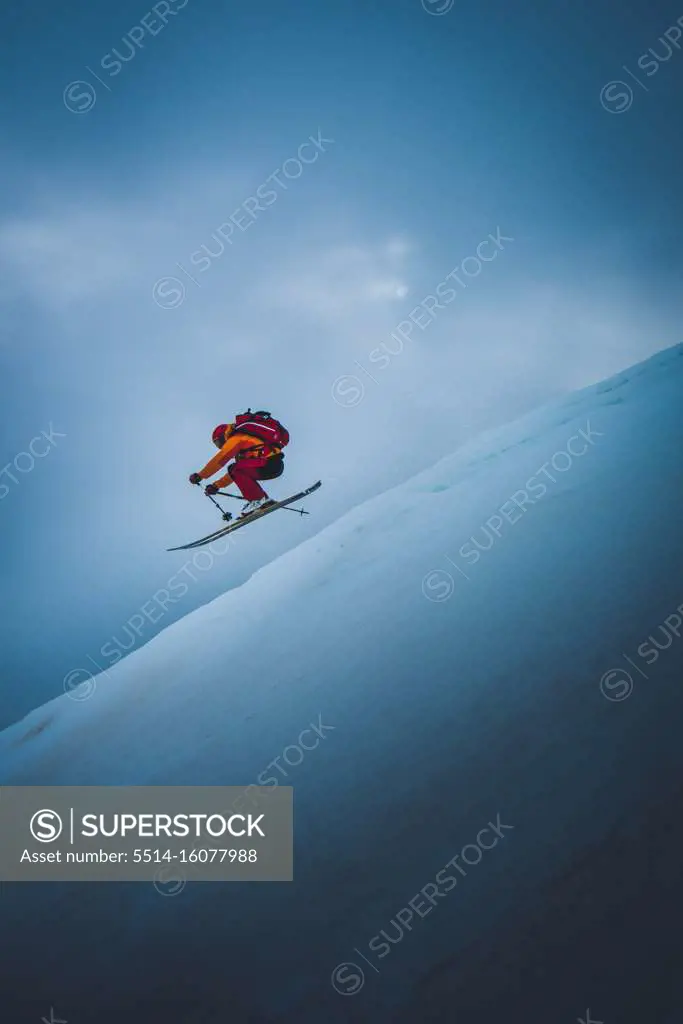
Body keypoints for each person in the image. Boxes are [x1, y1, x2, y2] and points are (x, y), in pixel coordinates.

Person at [189, 410, 289, 516]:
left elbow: (220, 460)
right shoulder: (243, 450)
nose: (220, 446)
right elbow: (236, 474)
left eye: (219, 442)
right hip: (272, 465)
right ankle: (263, 501)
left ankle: (258, 500)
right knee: (236, 469)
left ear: (224, 434)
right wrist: (216, 485)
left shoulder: (237, 438)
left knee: (235, 468)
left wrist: (201, 475)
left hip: (269, 464)